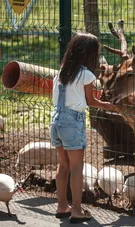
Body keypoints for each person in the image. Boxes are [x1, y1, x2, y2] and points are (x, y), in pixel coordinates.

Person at [50, 32, 115, 223]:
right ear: (88, 54)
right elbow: (90, 101)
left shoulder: (61, 72)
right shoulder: (86, 74)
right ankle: (77, 210)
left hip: (56, 121)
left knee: (63, 166)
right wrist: (106, 105)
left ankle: (62, 206)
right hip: (72, 122)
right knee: (77, 167)